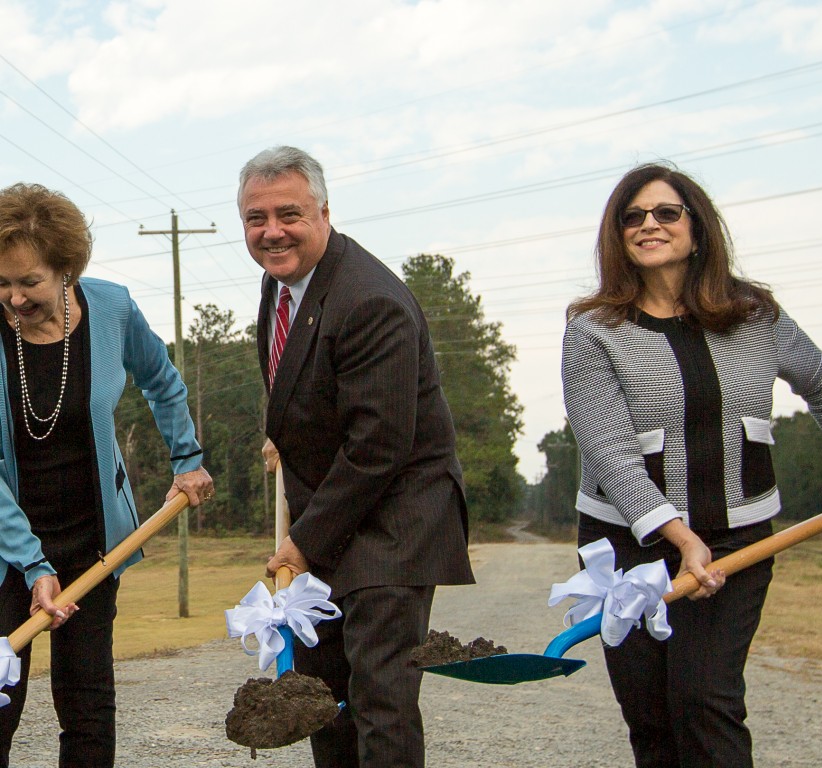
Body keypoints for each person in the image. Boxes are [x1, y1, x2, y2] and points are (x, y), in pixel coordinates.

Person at [562, 162, 822, 767]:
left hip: (736, 540)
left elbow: (821, 379)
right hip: (626, 546)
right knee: (650, 713)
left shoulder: (754, 314)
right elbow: (608, 448)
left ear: (696, 226)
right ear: (616, 235)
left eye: (666, 212)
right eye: (631, 217)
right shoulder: (591, 329)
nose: (648, 225)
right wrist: (676, 535)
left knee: (705, 700)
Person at [238, 146, 474, 768]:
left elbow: (380, 444)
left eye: (288, 213)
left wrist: (303, 543)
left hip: (394, 520)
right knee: (325, 700)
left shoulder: (370, 300)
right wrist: (280, 431)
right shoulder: (280, 282)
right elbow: (306, 383)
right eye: (255, 219)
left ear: (324, 211)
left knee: (380, 699)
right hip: (334, 517)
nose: (272, 232)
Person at [0, 183, 214, 767]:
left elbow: (162, 380)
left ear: (66, 269)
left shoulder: (113, 308)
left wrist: (186, 458)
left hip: (94, 543)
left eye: (30, 282)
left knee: (88, 705)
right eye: (1, 282)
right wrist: (34, 564)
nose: (14, 298)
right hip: (7, 550)